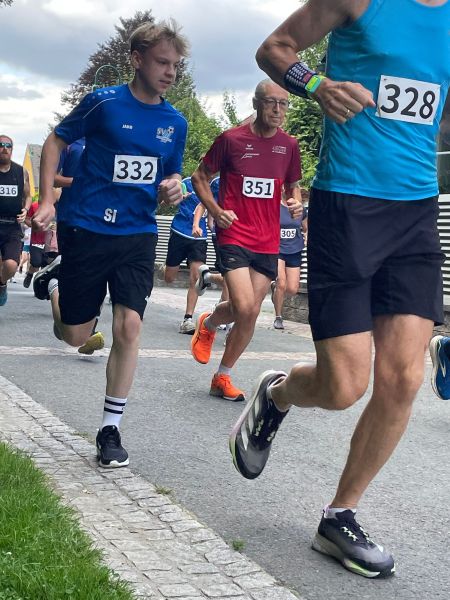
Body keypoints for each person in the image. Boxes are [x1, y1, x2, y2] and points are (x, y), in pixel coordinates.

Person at [229, 0, 450, 579]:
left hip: (417, 211)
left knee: (403, 377)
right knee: (344, 386)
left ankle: (339, 515)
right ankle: (278, 394)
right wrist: (317, 83)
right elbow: (274, 48)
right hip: (348, 204)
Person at [32, 19, 189, 468]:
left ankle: (110, 429)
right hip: (86, 228)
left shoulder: (174, 122)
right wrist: (47, 199)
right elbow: (55, 140)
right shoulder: (102, 104)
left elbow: (171, 171)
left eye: (176, 65)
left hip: (137, 234)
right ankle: (58, 287)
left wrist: (173, 185)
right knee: (75, 336)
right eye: (162, 62)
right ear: (137, 59)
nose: (170, 72)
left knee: (128, 328)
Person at [190, 79, 302, 402]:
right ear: (256, 104)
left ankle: (222, 374)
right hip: (234, 232)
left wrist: (294, 201)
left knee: (251, 312)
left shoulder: (289, 146)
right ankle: (209, 323)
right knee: (243, 306)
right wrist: (215, 209)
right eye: (271, 103)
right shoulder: (230, 140)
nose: (278, 110)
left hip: (268, 239)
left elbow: (292, 185)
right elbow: (199, 178)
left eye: (284, 104)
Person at [54, 138, 105, 355]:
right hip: (71, 218)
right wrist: (79, 181)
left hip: (103, 219)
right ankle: (53, 285)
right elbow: (53, 178)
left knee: (100, 273)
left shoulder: (111, 139)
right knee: (76, 279)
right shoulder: (69, 143)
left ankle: (88, 331)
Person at [163, 176, 209, 334]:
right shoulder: (187, 182)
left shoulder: (216, 186)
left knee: (196, 278)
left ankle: (187, 319)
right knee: (169, 277)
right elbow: (165, 202)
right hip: (179, 232)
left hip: (199, 237)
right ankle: (166, 267)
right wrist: (179, 198)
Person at [0, 135, 32, 306]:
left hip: (12, 225)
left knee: (11, 265)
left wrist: (26, 209)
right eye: (1, 145)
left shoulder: (20, 172)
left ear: (12, 149)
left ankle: (2, 283)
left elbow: (28, 195)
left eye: (8, 145)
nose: (4, 148)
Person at [271, 191, 307, 330]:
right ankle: (278, 316)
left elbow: (306, 227)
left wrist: (306, 236)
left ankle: (276, 292)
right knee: (281, 282)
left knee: (292, 288)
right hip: (277, 249)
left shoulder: (299, 208)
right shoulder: (275, 206)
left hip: (294, 249)